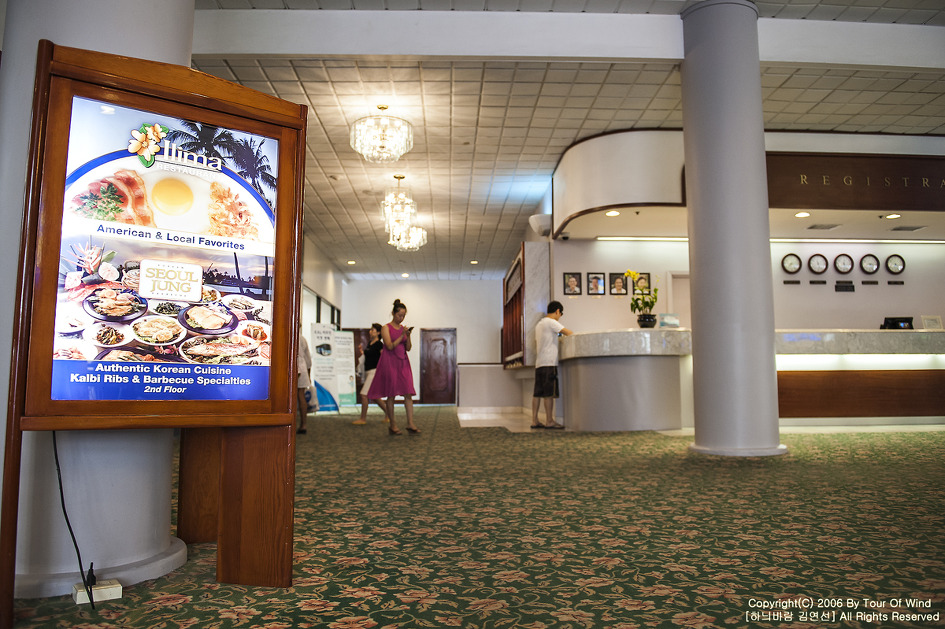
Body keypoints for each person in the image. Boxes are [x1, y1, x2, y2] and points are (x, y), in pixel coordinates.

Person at [367, 299, 420, 435]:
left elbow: (408, 348)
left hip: (403, 362)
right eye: (399, 315)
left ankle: (410, 423)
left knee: (408, 393)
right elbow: (389, 346)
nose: (401, 318)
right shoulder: (386, 328)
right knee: (391, 395)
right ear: (393, 313)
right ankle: (393, 425)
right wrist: (401, 335)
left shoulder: (403, 329)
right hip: (390, 363)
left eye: (403, 316)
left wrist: (408, 336)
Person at [531, 301, 573, 430]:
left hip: (539, 363)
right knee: (549, 393)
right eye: (560, 314)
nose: (560, 317)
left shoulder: (539, 324)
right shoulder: (551, 322)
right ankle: (549, 421)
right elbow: (569, 333)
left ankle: (534, 420)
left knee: (537, 393)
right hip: (549, 363)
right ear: (557, 311)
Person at [353, 323, 388, 425]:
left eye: (373, 330)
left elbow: (384, 358)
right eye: (370, 330)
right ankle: (389, 414)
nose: (370, 331)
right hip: (368, 372)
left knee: (364, 394)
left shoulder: (379, 344)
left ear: (378, 333)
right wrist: (361, 351)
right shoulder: (370, 343)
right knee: (375, 396)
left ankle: (363, 419)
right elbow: (369, 356)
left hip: (374, 372)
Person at [296, 325, 313, 435]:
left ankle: (291, 423)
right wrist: (309, 375)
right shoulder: (302, 339)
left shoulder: (289, 336)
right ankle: (303, 424)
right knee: (300, 395)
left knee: (292, 397)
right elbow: (308, 360)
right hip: (302, 368)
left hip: (293, 367)